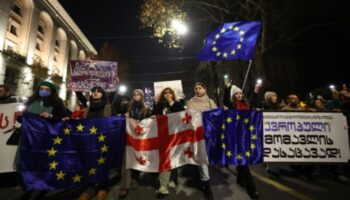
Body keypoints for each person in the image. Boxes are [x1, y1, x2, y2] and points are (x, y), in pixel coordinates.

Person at [18, 80, 68, 200]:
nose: (44, 91)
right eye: (42, 88)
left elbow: (62, 119)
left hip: (46, 139)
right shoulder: (30, 102)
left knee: (44, 164)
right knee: (29, 164)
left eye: (47, 89)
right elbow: (23, 121)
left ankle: (42, 188)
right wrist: (21, 117)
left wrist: (51, 116)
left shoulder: (57, 103)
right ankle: (29, 187)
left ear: (52, 92)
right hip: (29, 139)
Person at [223, 83, 261, 199]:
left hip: (247, 137)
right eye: (236, 94)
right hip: (236, 138)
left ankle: (240, 178)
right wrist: (228, 87)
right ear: (233, 96)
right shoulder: (232, 106)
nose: (239, 95)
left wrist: (255, 91)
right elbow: (225, 100)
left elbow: (253, 104)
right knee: (244, 163)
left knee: (243, 162)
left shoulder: (246, 105)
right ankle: (252, 190)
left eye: (240, 93)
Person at [75, 86, 111, 200]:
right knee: (89, 163)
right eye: (93, 91)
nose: (95, 93)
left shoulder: (108, 106)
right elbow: (80, 96)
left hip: (103, 139)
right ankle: (89, 189)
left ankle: (103, 187)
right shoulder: (88, 105)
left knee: (103, 163)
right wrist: (76, 86)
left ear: (103, 94)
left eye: (98, 91)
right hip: (89, 140)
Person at [152, 87, 185, 198]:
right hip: (163, 135)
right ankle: (163, 185)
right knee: (165, 157)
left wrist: (171, 102)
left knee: (174, 157)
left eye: (169, 93)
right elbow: (154, 114)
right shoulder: (159, 105)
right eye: (165, 93)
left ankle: (172, 179)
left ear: (172, 94)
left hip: (175, 134)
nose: (167, 94)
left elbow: (181, 114)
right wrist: (153, 116)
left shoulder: (177, 104)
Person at [119, 89, 151, 199]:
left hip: (139, 137)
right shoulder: (127, 106)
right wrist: (125, 116)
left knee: (137, 158)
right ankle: (125, 185)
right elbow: (117, 111)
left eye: (138, 94)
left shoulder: (146, 109)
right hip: (128, 136)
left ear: (142, 97)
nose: (136, 96)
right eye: (134, 94)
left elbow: (149, 122)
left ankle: (135, 178)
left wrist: (149, 119)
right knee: (126, 160)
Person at [187, 82, 217, 200]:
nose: (197, 90)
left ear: (204, 89)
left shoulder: (211, 102)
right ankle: (207, 186)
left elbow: (216, 116)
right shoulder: (191, 102)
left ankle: (203, 178)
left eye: (200, 88)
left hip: (209, 134)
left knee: (207, 158)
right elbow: (187, 117)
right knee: (202, 159)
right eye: (195, 88)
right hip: (197, 135)